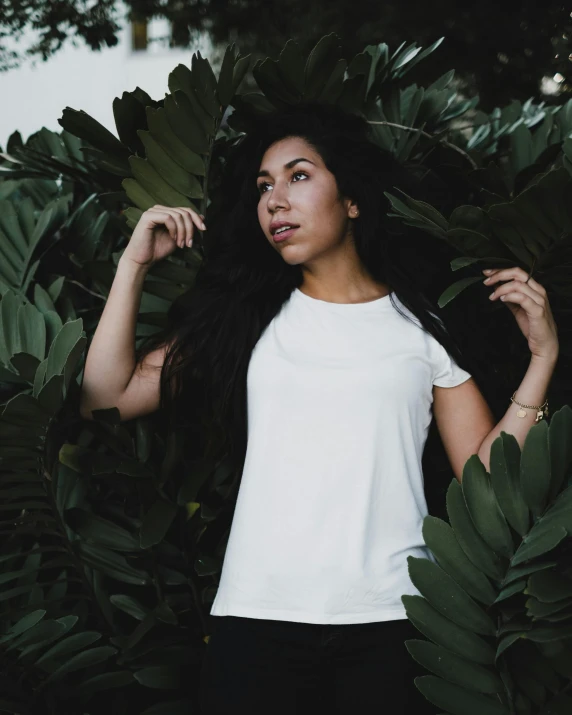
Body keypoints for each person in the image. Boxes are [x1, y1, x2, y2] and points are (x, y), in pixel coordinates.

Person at [79, 102, 559, 714]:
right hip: (256, 620)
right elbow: (106, 401)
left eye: (298, 176)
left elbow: (484, 485)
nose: (275, 199)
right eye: (263, 187)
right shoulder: (246, 320)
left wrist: (542, 359)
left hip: (392, 623)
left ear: (353, 200)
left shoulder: (422, 331)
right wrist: (133, 264)